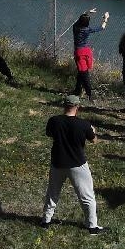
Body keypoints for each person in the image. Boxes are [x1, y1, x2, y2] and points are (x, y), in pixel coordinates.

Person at [41, 93, 103, 234]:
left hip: (57, 162)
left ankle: (46, 220)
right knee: (87, 196)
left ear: (64, 106)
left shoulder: (54, 121)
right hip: (77, 163)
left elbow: (49, 134)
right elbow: (94, 140)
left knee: (53, 193)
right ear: (77, 107)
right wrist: (93, 130)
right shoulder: (83, 125)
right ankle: (92, 226)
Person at [72, 10, 109, 102]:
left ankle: (83, 92)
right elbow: (102, 27)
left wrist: (88, 12)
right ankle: (85, 93)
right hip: (87, 53)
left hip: (79, 53)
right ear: (87, 23)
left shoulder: (75, 27)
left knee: (83, 73)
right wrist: (106, 18)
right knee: (84, 73)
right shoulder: (87, 30)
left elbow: (79, 19)